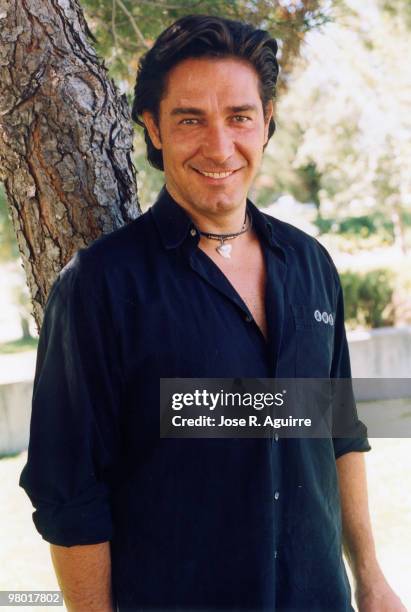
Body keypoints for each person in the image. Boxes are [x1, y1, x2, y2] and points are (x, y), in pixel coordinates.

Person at [19, 14, 405, 612]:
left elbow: (339, 433)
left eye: (240, 117)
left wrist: (371, 578)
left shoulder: (311, 266)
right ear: (153, 127)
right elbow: (68, 493)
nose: (220, 146)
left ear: (267, 122)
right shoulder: (99, 288)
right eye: (190, 119)